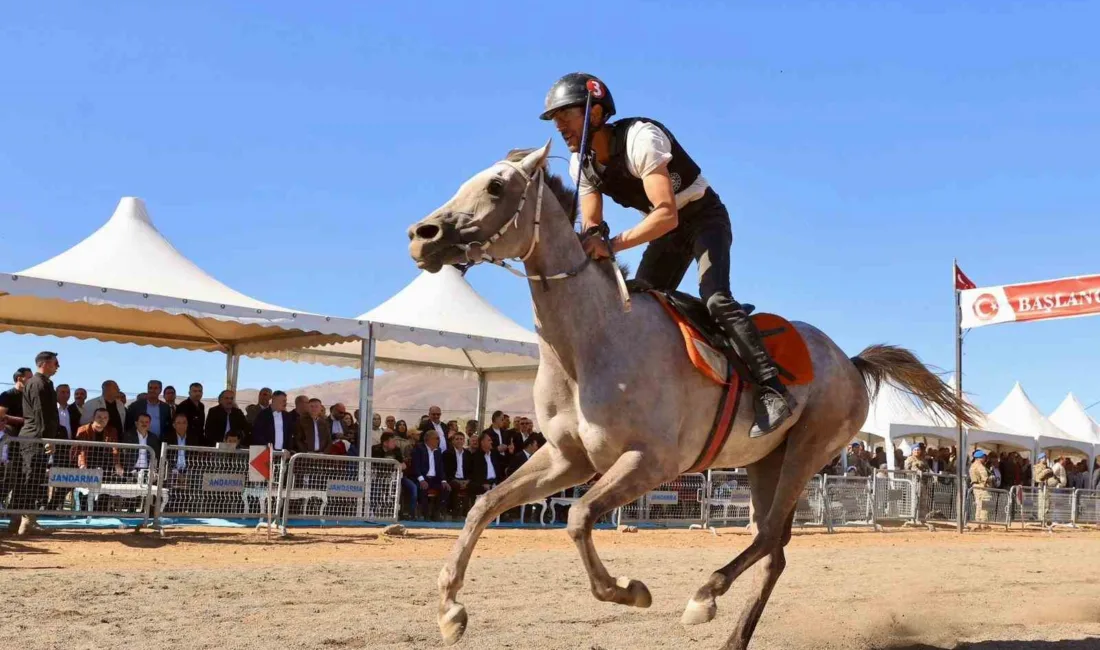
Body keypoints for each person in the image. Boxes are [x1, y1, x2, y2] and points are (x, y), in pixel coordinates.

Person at [540, 72, 796, 436]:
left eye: (567, 116)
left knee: (717, 300)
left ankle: (773, 389)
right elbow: (593, 226)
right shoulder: (580, 163)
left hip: (702, 218)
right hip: (668, 232)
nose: (560, 126)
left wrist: (612, 246)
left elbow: (666, 213)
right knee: (635, 300)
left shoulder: (642, 138)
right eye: (555, 120)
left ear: (596, 113)